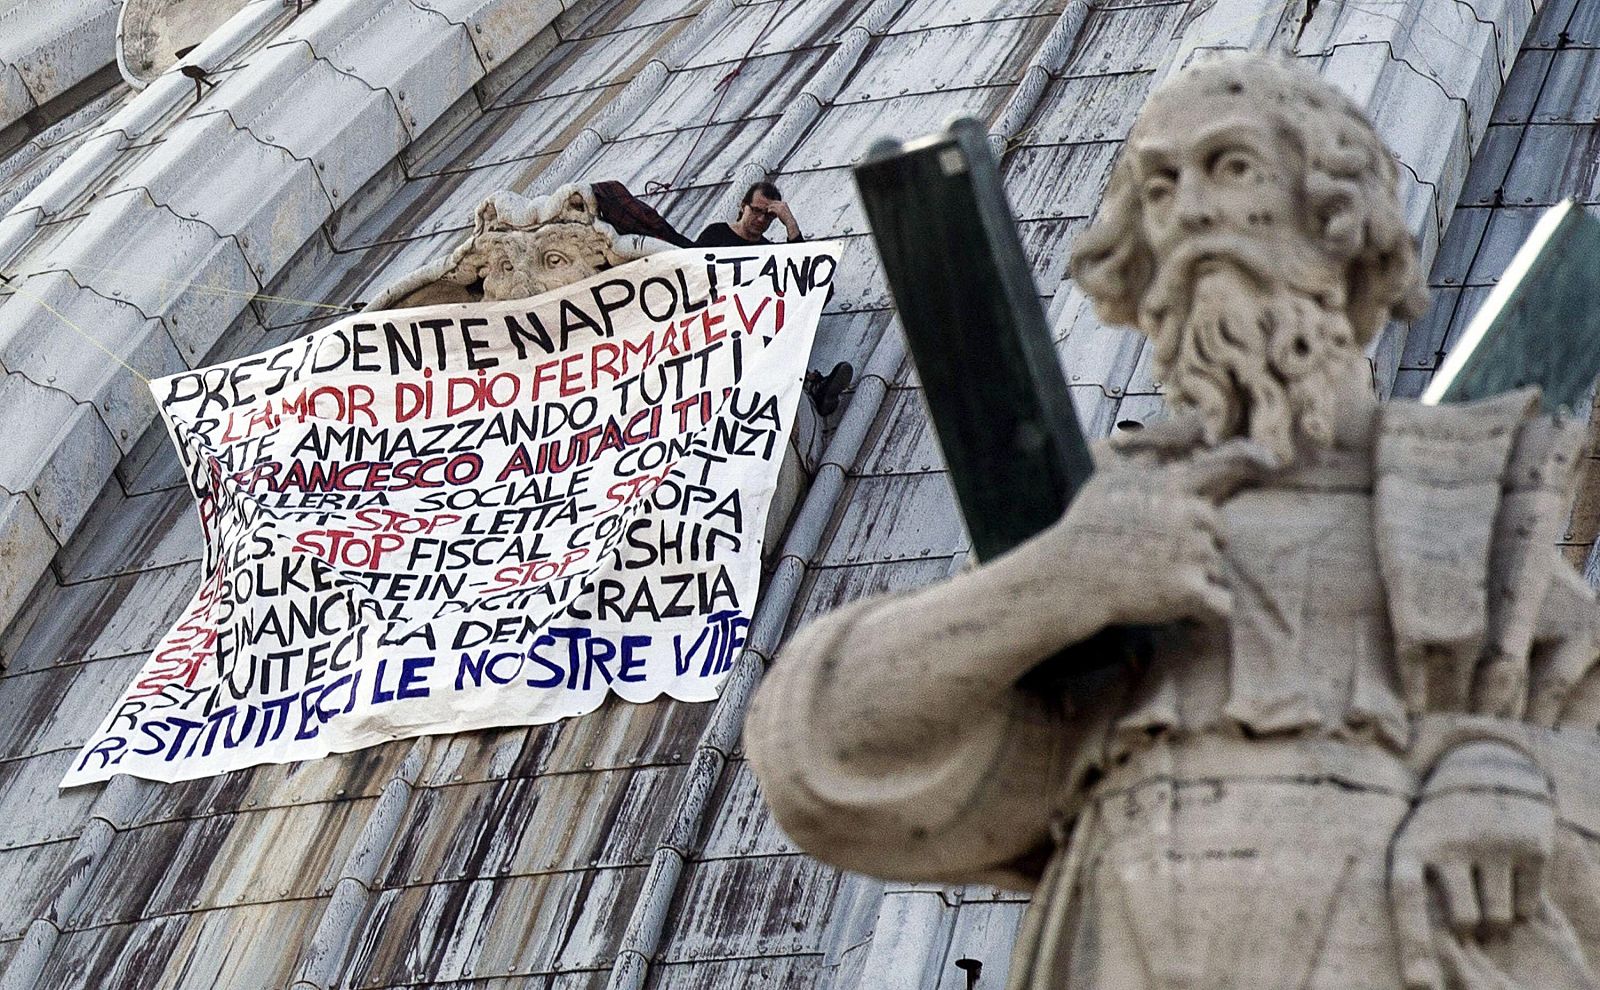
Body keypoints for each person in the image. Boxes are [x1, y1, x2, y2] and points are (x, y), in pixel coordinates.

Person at [745, 55, 1600, 990]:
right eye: (1162, 184)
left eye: (1231, 168)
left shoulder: (1466, 508)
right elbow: (817, 753)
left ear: (1338, 224)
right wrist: (1059, 581)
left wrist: (1514, 780)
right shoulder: (1098, 513)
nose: (1192, 209)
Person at [696, 180, 805, 247]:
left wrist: (790, 223)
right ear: (743, 207)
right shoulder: (716, 234)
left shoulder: (766, 249)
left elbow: (800, 266)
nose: (761, 219)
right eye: (756, 210)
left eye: (768, 215)